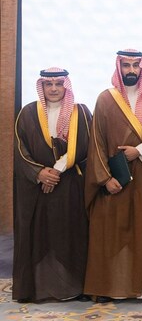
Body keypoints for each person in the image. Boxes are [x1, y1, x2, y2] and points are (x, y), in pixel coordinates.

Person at [84, 50, 142, 302]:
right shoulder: (105, 99)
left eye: (136, 65)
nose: (131, 70)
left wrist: (140, 151)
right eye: (126, 65)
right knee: (113, 234)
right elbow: (96, 143)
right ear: (119, 68)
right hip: (116, 180)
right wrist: (105, 178)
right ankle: (111, 287)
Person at [13, 68, 92, 302]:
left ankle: (74, 287)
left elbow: (86, 146)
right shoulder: (28, 113)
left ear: (66, 86)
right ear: (42, 87)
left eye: (59, 84)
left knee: (70, 235)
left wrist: (57, 171)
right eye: (49, 84)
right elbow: (19, 149)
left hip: (69, 186)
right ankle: (37, 288)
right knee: (40, 236)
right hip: (37, 188)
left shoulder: (80, 112)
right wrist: (39, 173)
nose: (54, 89)